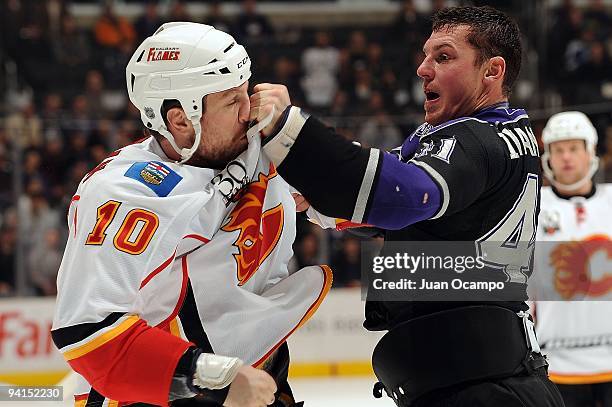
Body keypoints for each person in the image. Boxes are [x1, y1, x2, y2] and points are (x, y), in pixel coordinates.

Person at [249, 6, 565, 407]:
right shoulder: (501, 134)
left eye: (444, 57)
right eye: (426, 54)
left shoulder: (474, 139)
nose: (423, 69)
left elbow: (407, 194)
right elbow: (394, 195)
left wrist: (290, 130)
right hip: (484, 379)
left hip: (482, 389)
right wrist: (316, 197)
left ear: (492, 70)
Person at [52, 22, 331, 407]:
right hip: (166, 392)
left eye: (245, 93)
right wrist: (215, 377)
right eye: (232, 102)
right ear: (181, 120)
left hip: (255, 373)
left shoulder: (259, 141)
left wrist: (301, 137)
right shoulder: (125, 193)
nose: (249, 110)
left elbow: (365, 207)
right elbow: (87, 335)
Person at [533, 111, 612, 407]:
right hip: (556, 367)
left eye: (574, 148)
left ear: (590, 151)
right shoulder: (531, 210)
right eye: (558, 149)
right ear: (548, 157)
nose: (566, 157)